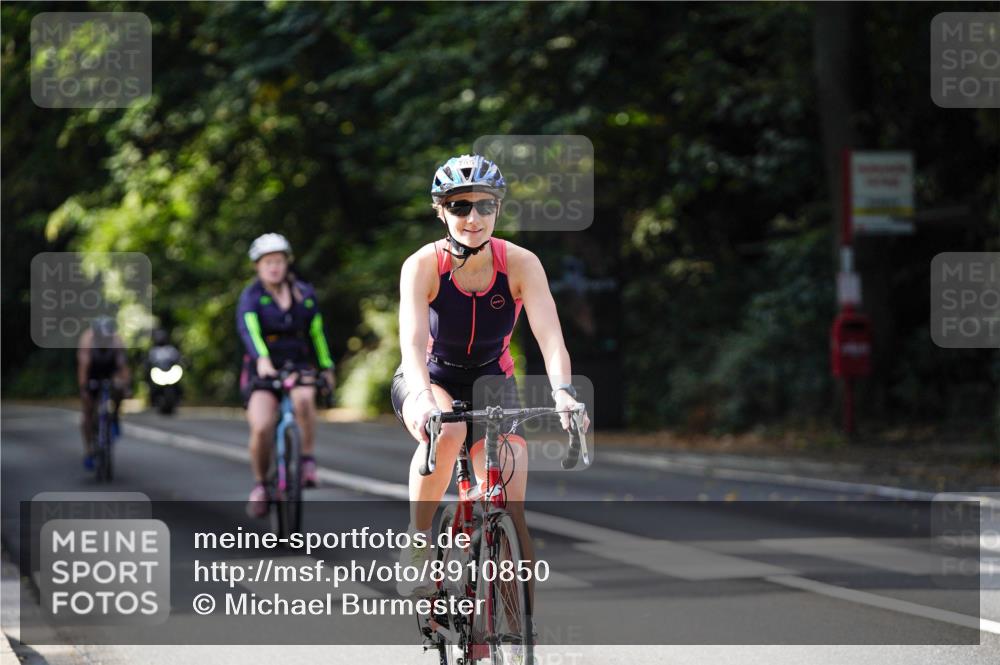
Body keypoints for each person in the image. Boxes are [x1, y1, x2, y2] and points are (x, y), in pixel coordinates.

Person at [392, 154, 590, 596]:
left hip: (493, 380)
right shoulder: (423, 265)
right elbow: (411, 346)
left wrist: (563, 392)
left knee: (509, 505)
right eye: (460, 206)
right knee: (447, 432)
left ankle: (512, 633)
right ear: (441, 211)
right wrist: (423, 399)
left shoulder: (521, 263)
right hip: (430, 376)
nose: (474, 217)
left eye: (485, 205)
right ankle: (419, 543)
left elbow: (551, 337)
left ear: (498, 209)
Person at [236, 233, 336, 518]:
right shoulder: (251, 296)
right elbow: (249, 331)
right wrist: (263, 360)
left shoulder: (304, 294)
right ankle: (260, 485)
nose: (274, 267)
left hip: (298, 362)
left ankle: (305, 460)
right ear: (258, 266)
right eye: (268, 262)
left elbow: (317, 333)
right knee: (262, 425)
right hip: (263, 368)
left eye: (278, 261)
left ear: (287, 262)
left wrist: (326, 367)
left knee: (305, 399)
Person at [77, 316, 130, 469]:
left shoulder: (117, 341)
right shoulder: (87, 342)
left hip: (109, 369)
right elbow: (83, 367)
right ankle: (89, 450)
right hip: (92, 370)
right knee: (87, 410)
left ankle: (115, 417)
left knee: (119, 388)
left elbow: (122, 366)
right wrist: (84, 389)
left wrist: (125, 386)